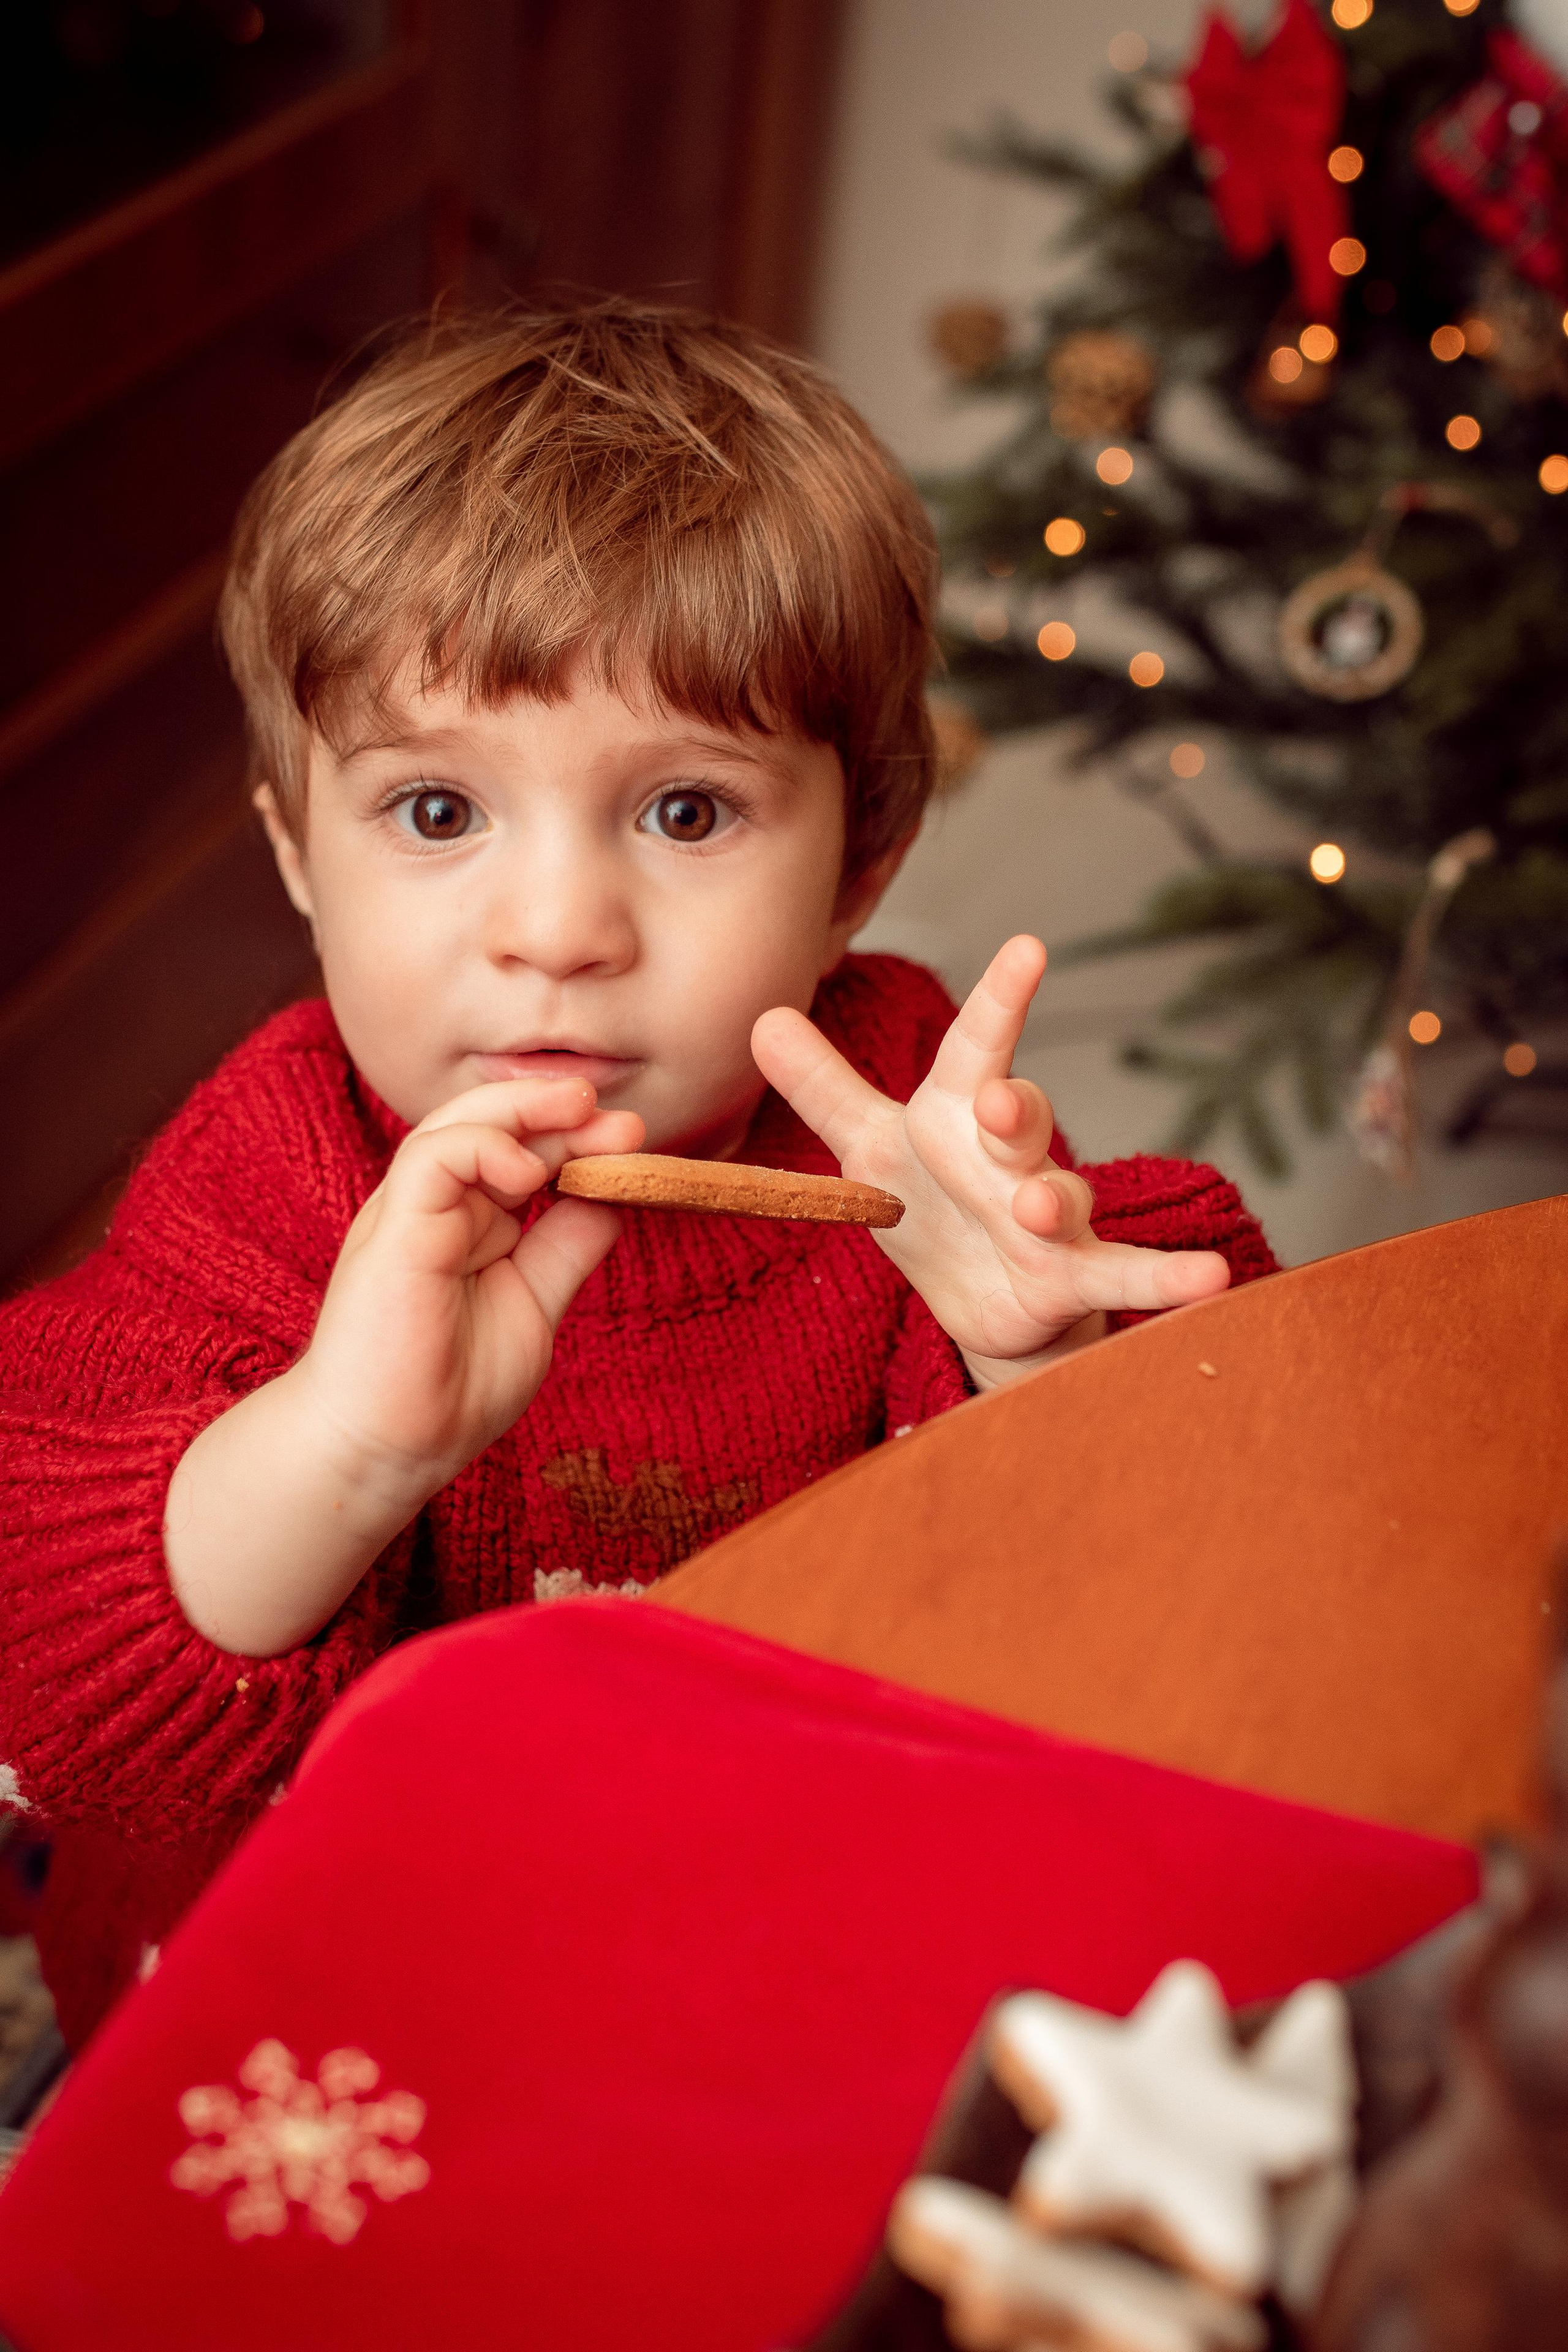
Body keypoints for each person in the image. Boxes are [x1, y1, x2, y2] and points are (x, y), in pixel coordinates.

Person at [0, 301, 1274, 2047]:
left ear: (859, 868)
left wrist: (1040, 1362)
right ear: (298, 853)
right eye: (438, 812)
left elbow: (1214, 1605)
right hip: (309, 2024)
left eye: (686, 812)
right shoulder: (270, 1179)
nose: (558, 932)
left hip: (764, 1984)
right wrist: (343, 1448)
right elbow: (54, 1669)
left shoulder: (917, 1152)